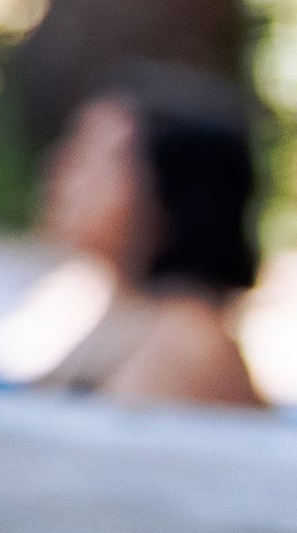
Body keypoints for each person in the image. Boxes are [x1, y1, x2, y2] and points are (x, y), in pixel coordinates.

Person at [27, 68, 268, 407]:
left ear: (170, 193)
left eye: (92, 157)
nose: (59, 171)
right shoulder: (126, 319)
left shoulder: (188, 343)